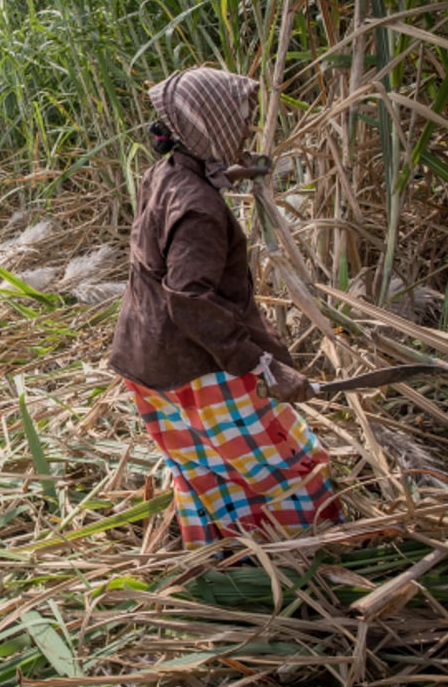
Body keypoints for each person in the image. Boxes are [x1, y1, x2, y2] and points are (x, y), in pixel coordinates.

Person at [109, 66, 340, 551]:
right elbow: (189, 300)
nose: (248, 130)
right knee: (280, 462)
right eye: (241, 122)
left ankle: (228, 550)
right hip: (197, 367)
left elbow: (183, 210)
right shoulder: (201, 212)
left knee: (202, 467)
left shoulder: (167, 172)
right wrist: (262, 364)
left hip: (146, 359)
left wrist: (230, 174)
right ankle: (308, 549)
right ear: (212, 129)